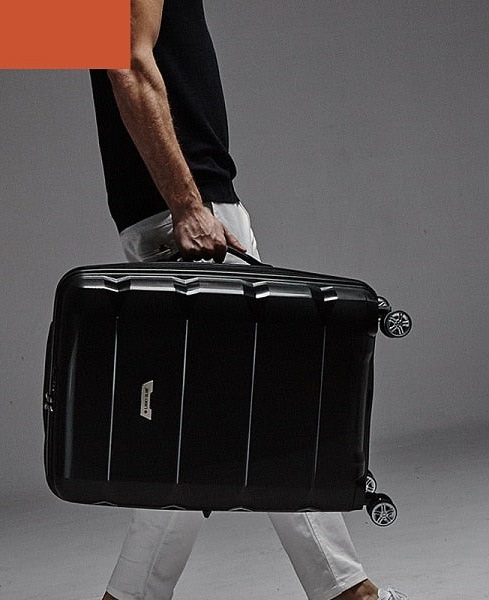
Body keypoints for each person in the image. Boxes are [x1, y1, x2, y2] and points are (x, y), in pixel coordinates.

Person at [89, 2, 408, 599]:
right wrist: (188, 206)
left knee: (201, 431)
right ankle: (350, 594)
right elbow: (127, 62)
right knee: (269, 413)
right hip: (189, 216)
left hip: (173, 210)